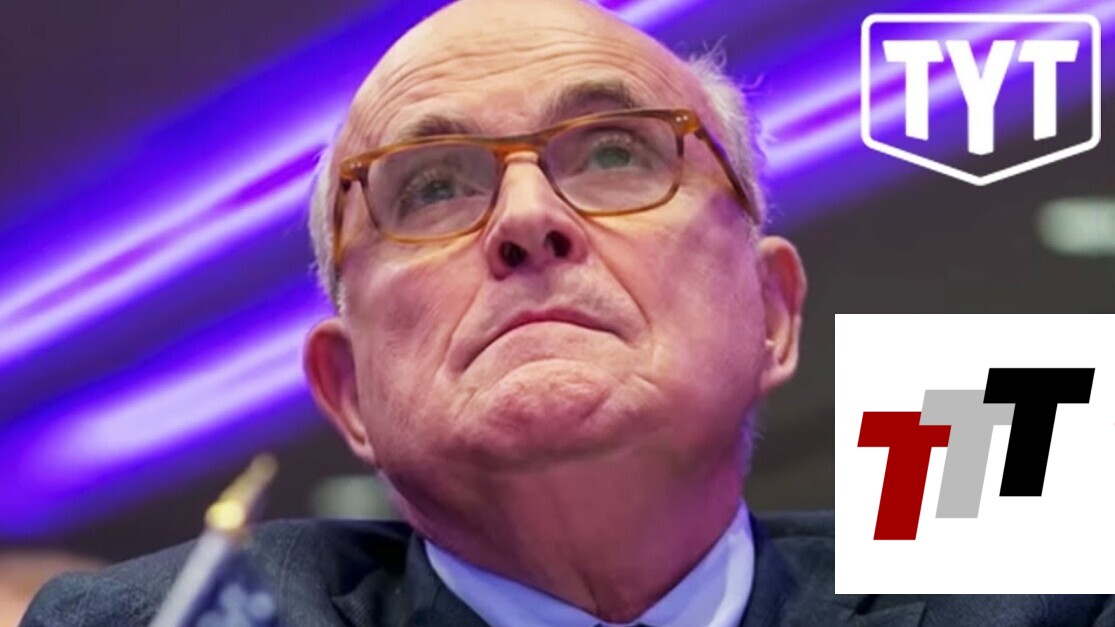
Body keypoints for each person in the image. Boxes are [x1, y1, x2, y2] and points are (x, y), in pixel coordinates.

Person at [19, 0, 1114, 625]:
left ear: (770, 312)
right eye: (432, 185)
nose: (527, 220)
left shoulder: (1042, 601)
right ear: (346, 393)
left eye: (615, 153)